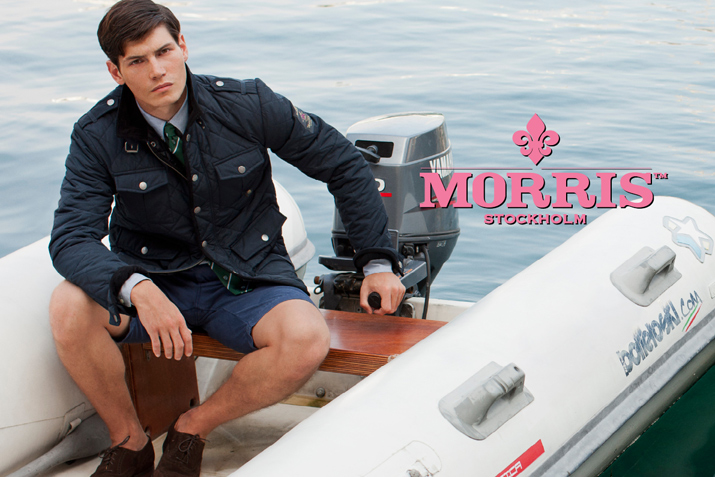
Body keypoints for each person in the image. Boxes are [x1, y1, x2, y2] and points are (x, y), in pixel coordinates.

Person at [48, 1, 405, 475]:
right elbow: (72, 236)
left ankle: (192, 429)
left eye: (164, 51)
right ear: (116, 71)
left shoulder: (248, 102)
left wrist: (376, 262)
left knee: (305, 339)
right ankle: (130, 442)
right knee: (69, 306)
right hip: (156, 280)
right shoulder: (96, 133)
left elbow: (343, 164)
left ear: (183, 46)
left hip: (248, 275)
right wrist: (138, 288)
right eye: (137, 61)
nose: (157, 71)